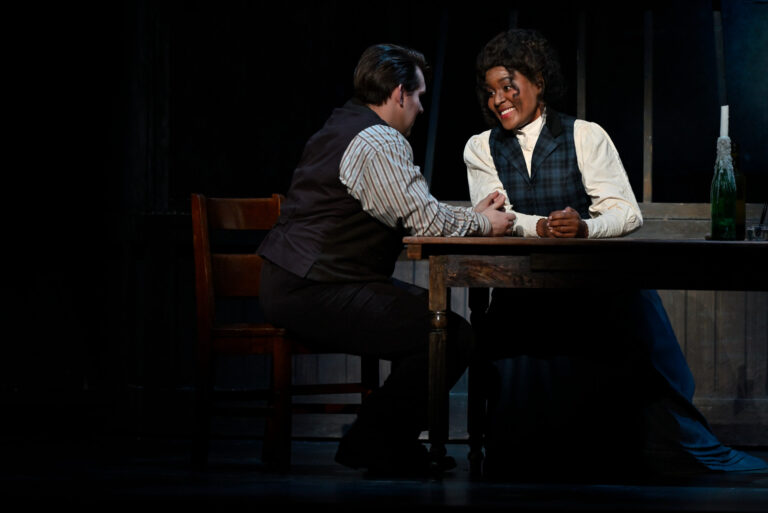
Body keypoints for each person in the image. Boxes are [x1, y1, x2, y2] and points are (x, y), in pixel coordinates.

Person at [463, 28, 767, 478]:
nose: (499, 100)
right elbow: (495, 215)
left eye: (509, 86)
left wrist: (584, 227)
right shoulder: (479, 147)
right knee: (511, 343)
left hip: (592, 282)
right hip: (525, 287)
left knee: (628, 319)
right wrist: (542, 226)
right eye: (490, 93)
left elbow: (626, 213)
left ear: (538, 82)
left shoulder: (585, 135)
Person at [257, 43, 516, 477]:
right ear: (399, 93)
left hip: (305, 281)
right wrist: (486, 225)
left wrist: (472, 216)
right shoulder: (378, 140)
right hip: (315, 287)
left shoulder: (343, 123)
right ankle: (374, 443)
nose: (418, 109)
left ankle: (381, 442)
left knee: (432, 323)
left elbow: (415, 208)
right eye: (418, 98)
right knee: (449, 336)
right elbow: (427, 219)